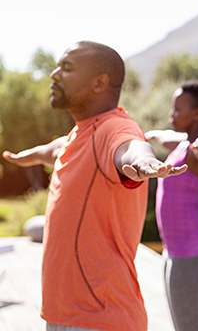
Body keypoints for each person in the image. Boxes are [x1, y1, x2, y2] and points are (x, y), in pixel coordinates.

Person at [2, 41, 187, 331]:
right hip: (63, 315)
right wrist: (27, 156)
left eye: (67, 68)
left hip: (101, 318)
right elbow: (55, 149)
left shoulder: (115, 128)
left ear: (100, 83)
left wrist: (144, 163)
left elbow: (131, 147)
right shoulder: (81, 133)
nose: (54, 74)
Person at [145, 80, 198, 331]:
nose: (172, 114)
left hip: (193, 254)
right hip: (178, 251)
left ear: (197, 114)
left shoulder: (197, 149)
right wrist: (147, 136)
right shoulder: (182, 144)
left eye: (178, 109)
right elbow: (163, 136)